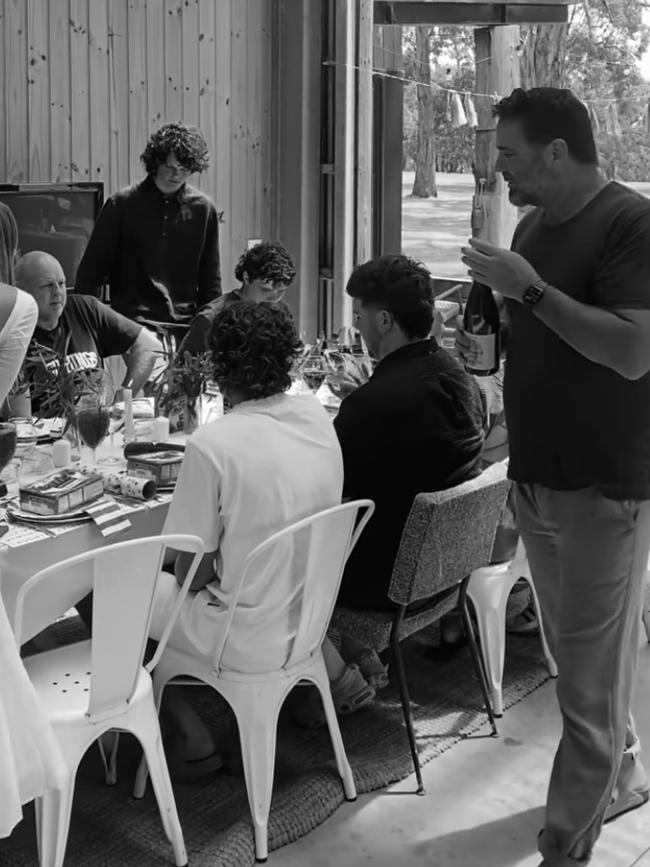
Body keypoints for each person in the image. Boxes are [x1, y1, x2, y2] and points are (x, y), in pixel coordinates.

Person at [460, 86, 650, 867]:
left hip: (606, 485)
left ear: (556, 152)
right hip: (539, 476)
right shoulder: (535, 226)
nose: (500, 172)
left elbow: (634, 351)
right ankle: (626, 775)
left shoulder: (631, 223)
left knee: (585, 686)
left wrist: (528, 288)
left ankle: (565, 844)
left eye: (508, 154)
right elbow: (534, 331)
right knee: (580, 662)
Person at [148, 302, 361, 775]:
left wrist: (173, 563)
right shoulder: (316, 417)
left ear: (218, 366)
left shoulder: (213, 443)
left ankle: (186, 732)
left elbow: (192, 575)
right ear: (287, 358)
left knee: (108, 590)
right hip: (308, 619)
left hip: (243, 635)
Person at [331, 255, 484, 673]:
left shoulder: (373, 405)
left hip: (384, 581)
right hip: (448, 568)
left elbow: (328, 493)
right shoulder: (459, 376)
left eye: (359, 316)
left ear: (383, 320)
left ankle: (328, 670)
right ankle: (351, 657)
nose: (357, 326)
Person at [75, 122, 221, 332]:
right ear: (155, 163)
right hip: (133, 322)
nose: (176, 175)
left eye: (184, 169)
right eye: (170, 167)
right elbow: (91, 273)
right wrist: (89, 327)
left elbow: (211, 280)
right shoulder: (122, 204)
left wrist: (209, 328)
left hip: (187, 323)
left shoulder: (203, 208)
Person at [12, 251, 162, 415]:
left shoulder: (85, 309)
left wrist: (126, 392)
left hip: (100, 425)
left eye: (61, 283)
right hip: (47, 433)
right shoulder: (13, 334)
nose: (58, 292)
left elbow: (150, 346)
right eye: (47, 286)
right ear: (22, 291)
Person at [175, 240, 296, 360]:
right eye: (265, 289)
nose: (274, 299)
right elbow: (182, 374)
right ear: (246, 277)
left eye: (281, 291)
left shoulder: (280, 315)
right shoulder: (211, 318)